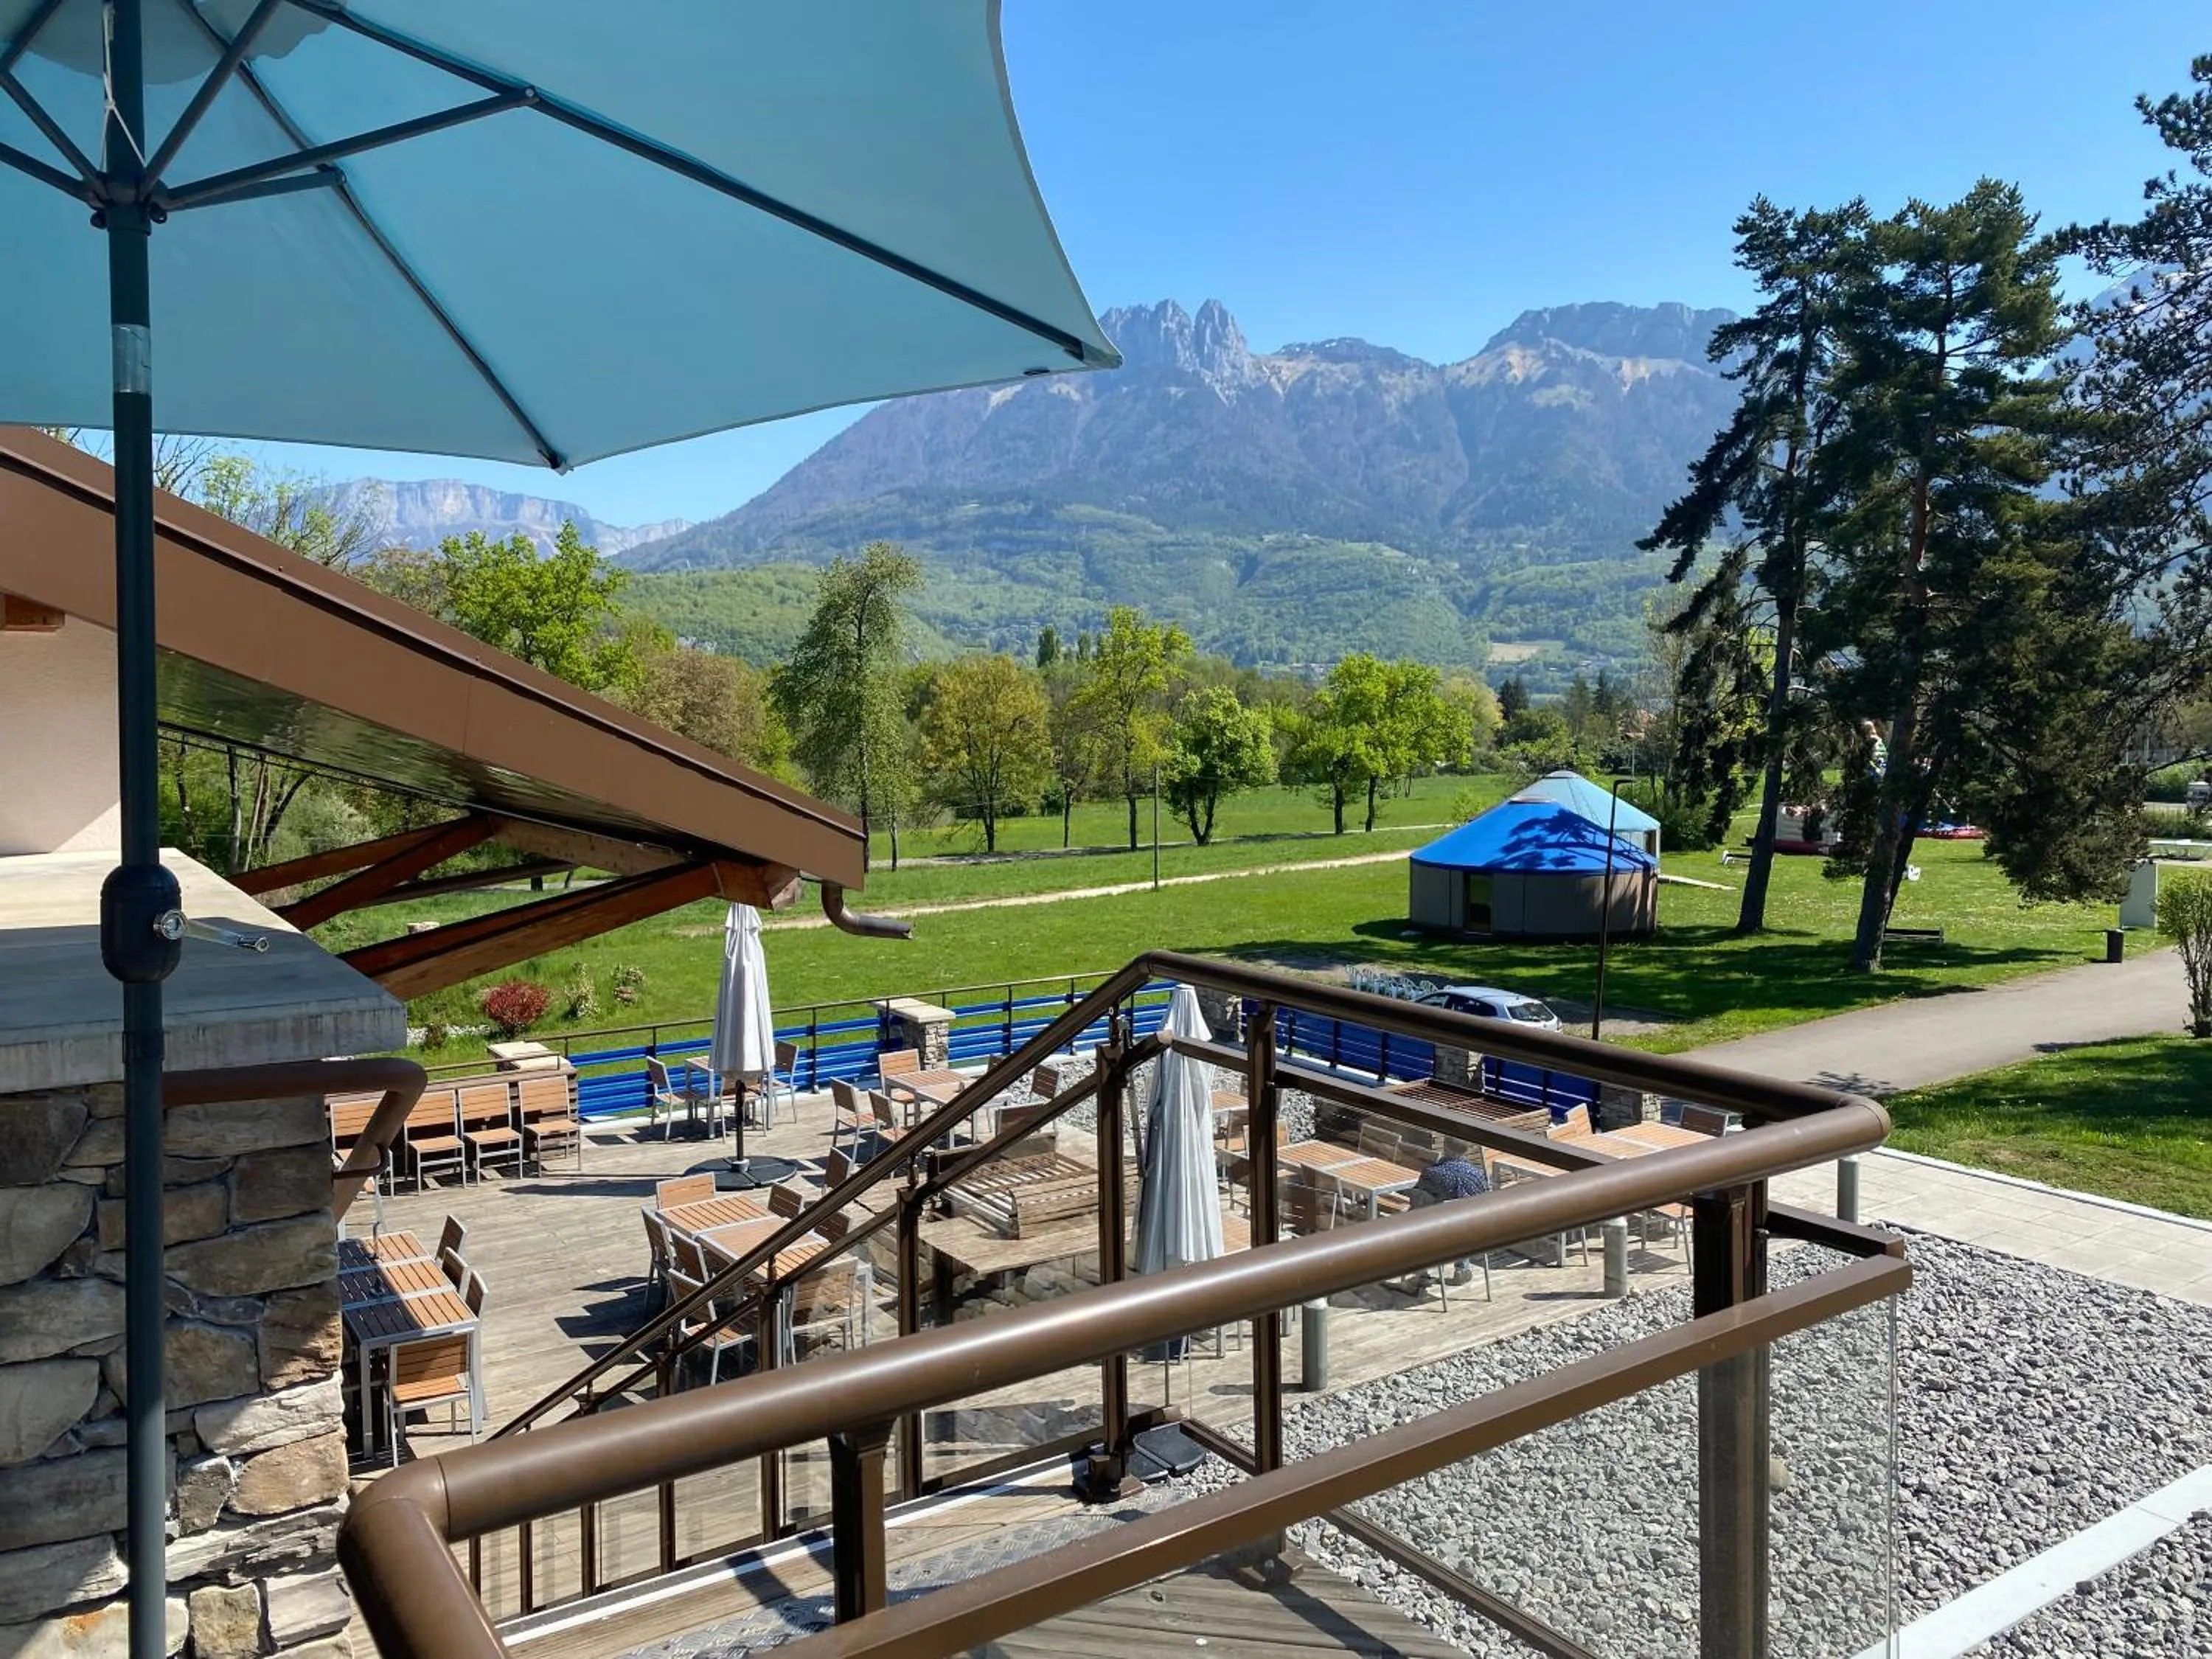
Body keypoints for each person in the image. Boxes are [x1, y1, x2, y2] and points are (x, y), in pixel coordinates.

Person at [1403, 1150, 1488, 1285]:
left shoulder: (1434, 1173)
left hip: (1438, 1235)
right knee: (1462, 1224)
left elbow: (1419, 1195)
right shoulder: (1477, 1174)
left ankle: (1421, 1273)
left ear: (1445, 1148)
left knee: (1417, 1220)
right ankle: (1462, 1269)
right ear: (1467, 1151)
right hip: (1471, 1230)